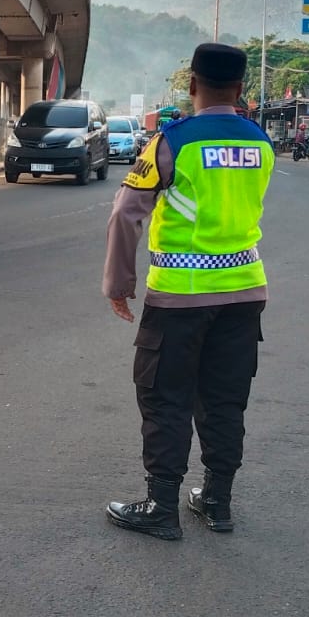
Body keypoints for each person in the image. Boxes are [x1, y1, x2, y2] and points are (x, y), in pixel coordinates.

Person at [101, 43, 274, 539]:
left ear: (192, 85)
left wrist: (119, 284)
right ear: (240, 89)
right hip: (245, 292)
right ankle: (217, 501)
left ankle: (161, 506)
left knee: (165, 398)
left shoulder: (172, 142)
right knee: (225, 399)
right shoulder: (261, 142)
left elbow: (126, 212)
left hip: (179, 297)